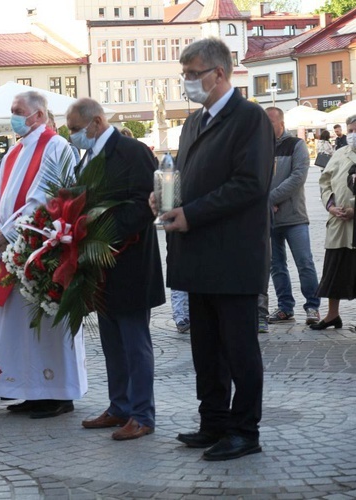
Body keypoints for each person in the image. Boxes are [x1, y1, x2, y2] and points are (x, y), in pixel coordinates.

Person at [161, 38, 274, 461]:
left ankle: (245, 431)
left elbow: (250, 184)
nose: (187, 81)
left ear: (219, 73)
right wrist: (167, 201)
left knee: (239, 350)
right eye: (184, 74)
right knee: (205, 349)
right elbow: (184, 177)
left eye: (193, 74)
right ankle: (214, 422)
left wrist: (192, 213)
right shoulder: (194, 123)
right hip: (197, 255)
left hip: (234, 256)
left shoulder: (250, 118)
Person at [0, 90, 87, 419]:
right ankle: (30, 389)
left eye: (18, 111)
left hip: (41, 247)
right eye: (12, 111)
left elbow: (46, 198)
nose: (13, 116)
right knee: (20, 325)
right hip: (11, 251)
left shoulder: (56, 146)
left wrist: (9, 234)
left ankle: (58, 392)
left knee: (46, 322)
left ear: (39, 115)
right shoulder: (14, 152)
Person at [67, 98, 165, 440]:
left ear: (96, 122)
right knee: (111, 342)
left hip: (131, 263)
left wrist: (99, 229)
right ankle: (119, 406)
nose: (72, 136)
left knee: (135, 343)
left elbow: (146, 205)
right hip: (100, 267)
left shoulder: (132, 151)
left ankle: (142, 414)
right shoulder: (87, 157)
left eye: (75, 129)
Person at [259, 107, 320, 331]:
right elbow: (256, 178)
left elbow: (298, 178)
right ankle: (285, 308)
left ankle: (313, 306)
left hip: (294, 216)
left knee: (304, 262)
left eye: (270, 123)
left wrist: (270, 198)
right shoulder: (260, 147)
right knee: (276, 266)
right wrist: (266, 201)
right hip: (269, 218)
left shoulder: (296, 145)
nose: (266, 127)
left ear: (281, 124)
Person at [310, 115, 356, 330]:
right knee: (335, 269)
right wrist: (330, 205)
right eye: (350, 130)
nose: (352, 134)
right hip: (339, 224)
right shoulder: (339, 154)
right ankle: (332, 315)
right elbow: (325, 182)